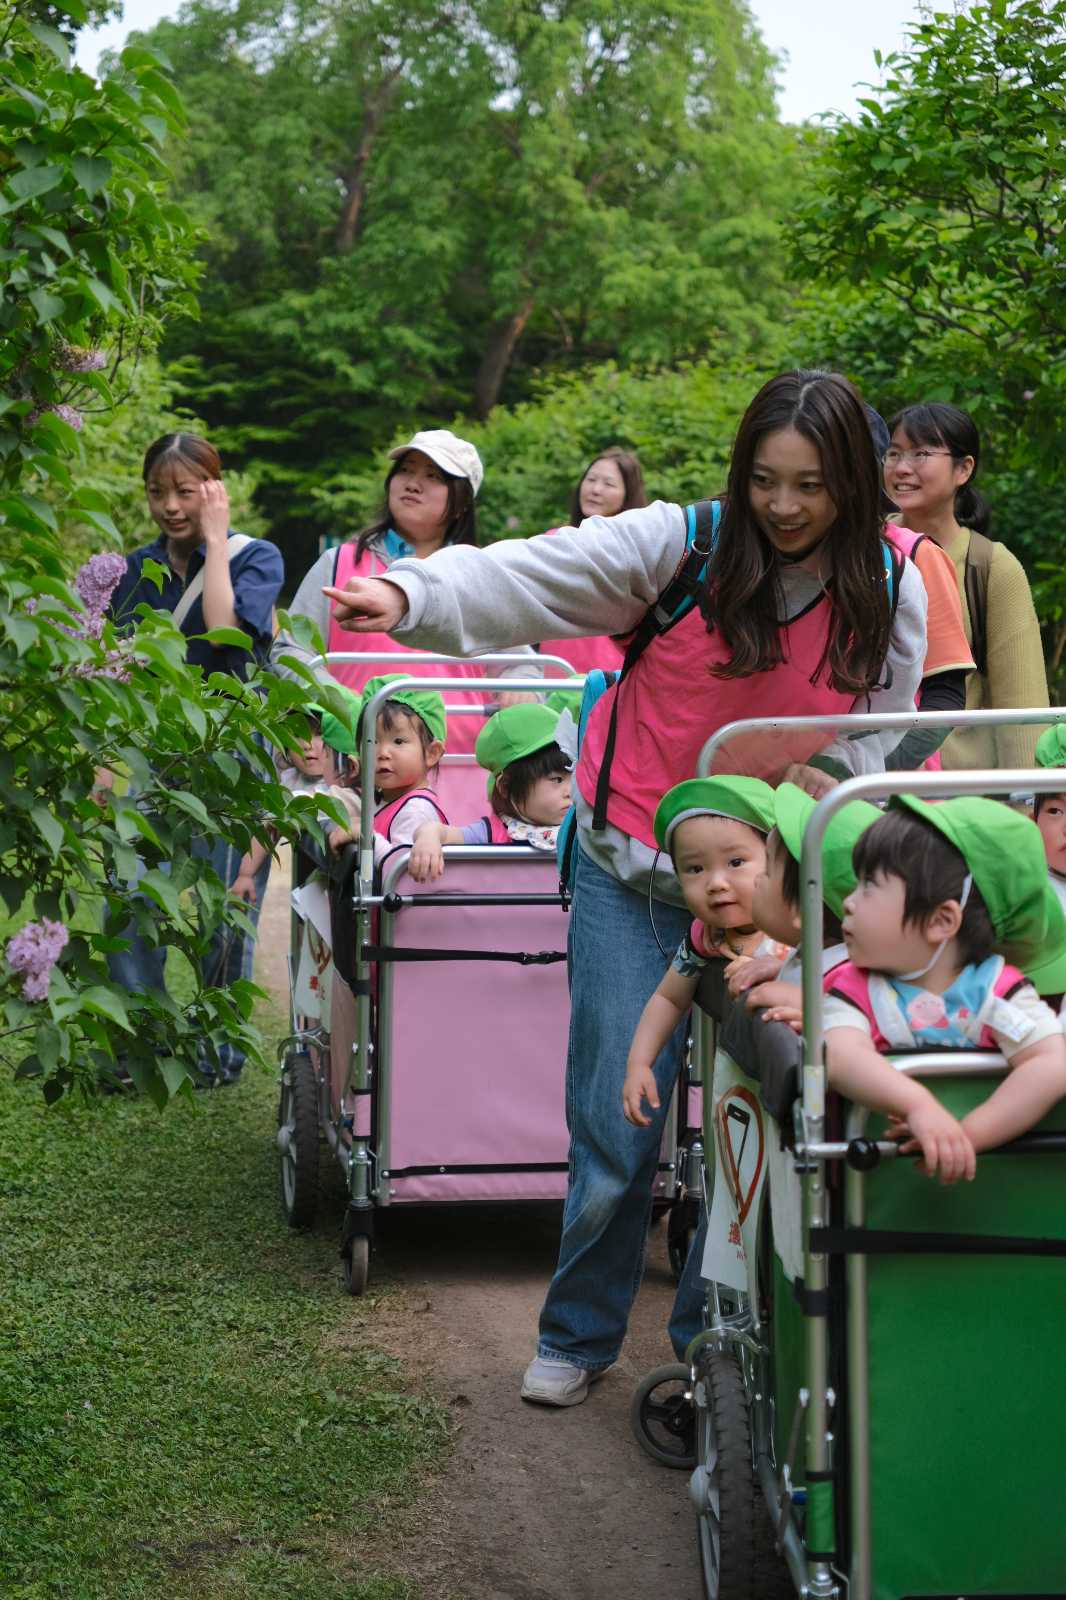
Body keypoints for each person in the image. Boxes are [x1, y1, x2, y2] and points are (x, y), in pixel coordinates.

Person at [322, 367, 929, 1406]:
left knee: (750, 1116)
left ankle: (710, 1346)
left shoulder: (893, 580)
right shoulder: (682, 544)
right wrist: (412, 595)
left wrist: (824, 784)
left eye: (812, 485)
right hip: (634, 867)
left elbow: (885, 725)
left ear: (854, 483)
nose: (784, 507)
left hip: (771, 900)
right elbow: (537, 574)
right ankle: (579, 1332)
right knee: (617, 1117)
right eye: (765, 481)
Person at [106, 432, 284, 1085]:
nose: (170, 506)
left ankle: (216, 1050)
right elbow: (117, 672)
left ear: (212, 489)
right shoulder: (135, 570)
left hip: (230, 752)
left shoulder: (255, 557)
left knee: (225, 903)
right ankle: (139, 1043)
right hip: (158, 752)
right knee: (126, 891)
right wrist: (103, 761)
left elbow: (227, 636)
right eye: (158, 492)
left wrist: (215, 541)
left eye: (185, 491)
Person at [272, 430, 538, 813]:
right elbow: (290, 651)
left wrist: (520, 690)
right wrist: (339, 704)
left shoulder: (479, 577)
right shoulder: (339, 563)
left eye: (433, 476)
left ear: (461, 501)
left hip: (458, 774)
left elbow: (522, 665)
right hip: (354, 771)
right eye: (406, 470)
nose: (413, 483)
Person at [824, 798, 1066, 1182]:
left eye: (869, 885)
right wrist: (917, 1104)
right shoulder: (855, 987)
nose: (849, 903)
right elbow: (839, 1055)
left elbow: (1052, 1063)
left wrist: (968, 1135)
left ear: (941, 920)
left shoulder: (995, 992)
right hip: (882, 1202)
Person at [884, 403, 1048, 770]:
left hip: (958, 787)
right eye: (893, 453)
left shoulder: (990, 566)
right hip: (864, 781)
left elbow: (1021, 705)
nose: (902, 467)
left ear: (964, 468)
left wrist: (1028, 795)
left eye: (921, 454)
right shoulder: (862, 551)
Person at [621, 777, 789, 1130]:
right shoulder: (704, 936)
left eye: (736, 862)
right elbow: (669, 998)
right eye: (695, 869)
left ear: (778, 862)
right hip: (742, 1092)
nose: (716, 883)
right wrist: (639, 1063)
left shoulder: (798, 924)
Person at [229, 687, 364, 904]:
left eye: (320, 733)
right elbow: (271, 824)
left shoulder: (348, 792)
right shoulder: (291, 780)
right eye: (298, 733)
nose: (307, 744)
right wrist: (246, 873)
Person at [409, 704, 572, 882]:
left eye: (576, 778)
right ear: (505, 787)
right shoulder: (493, 831)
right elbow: (443, 832)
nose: (571, 791)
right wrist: (428, 837)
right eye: (557, 780)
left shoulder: (582, 827)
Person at [539, 447, 649, 679]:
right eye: (590, 480)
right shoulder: (555, 540)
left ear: (628, 494)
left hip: (611, 676)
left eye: (608, 484)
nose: (595, 490)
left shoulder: (640, 551)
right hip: (557, 674)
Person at [327, 675, 449, 861]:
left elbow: (400, 871)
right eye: (372, 741)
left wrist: (366, 837)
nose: (382, 753)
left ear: (431, 753)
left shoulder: (415, 810)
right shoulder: (386, 799)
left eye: (398, 741)